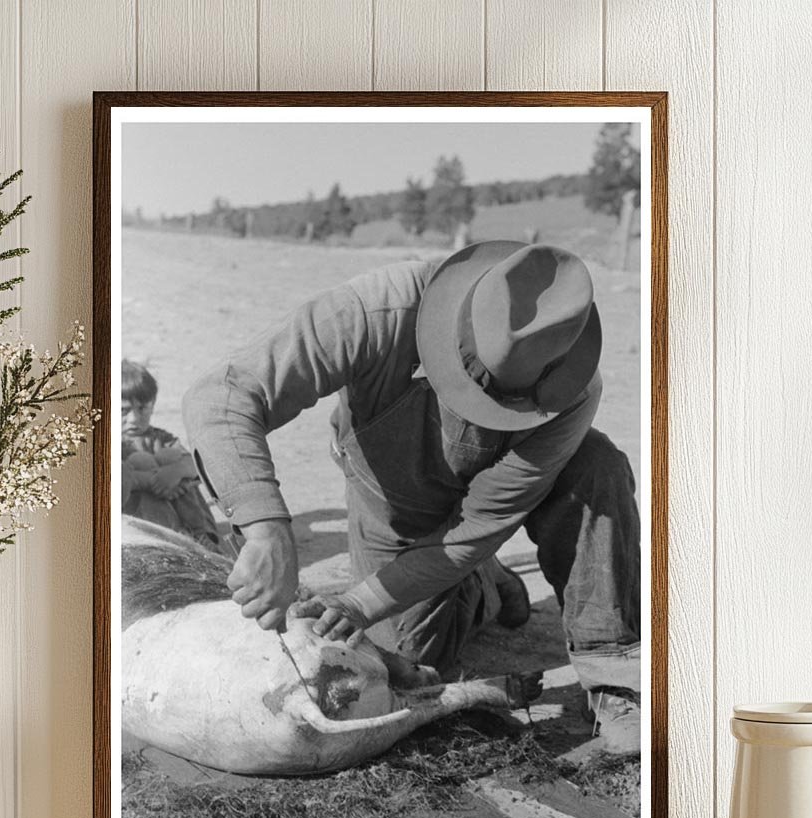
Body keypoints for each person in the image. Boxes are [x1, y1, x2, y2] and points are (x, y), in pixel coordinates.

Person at [183, 242, 641, 751]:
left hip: (491, 509)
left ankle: (616, 678)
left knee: (597, 466)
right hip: (394, 498)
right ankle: (485, 588)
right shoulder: (377, 310)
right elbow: (221, 395)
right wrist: (268, 530)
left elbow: (478, 526)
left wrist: (359, 601)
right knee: (401, 656)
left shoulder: (572, 387)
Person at [121, 359, 219, 551]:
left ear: (153, 405)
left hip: (182, 513)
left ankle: (201, 534)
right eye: (123, 410)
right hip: (141, 516)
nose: (134, 419)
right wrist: (152, 480)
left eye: (142, 408)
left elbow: (196, 464)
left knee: (176, 462)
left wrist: (177, 472)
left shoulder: (162, 438)